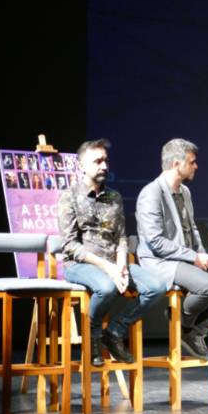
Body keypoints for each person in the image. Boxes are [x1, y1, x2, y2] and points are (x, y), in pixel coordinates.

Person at [58, 138, 167, 366]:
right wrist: (108, 267)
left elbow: (121, 237)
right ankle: (93, 336)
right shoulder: (69, 196)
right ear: (81, 165)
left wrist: (122, 265)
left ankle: (114, 331)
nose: (104, 166)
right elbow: (70, 245)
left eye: (106, 161)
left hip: (114, 262)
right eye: (97, 161)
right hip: (80, 265)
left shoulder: (114, 197)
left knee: (156, 287)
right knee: (106, 287)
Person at [136, 138, 208, 360]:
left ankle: (192, 330)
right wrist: (194, 257)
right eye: (192, 162)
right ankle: (184, 323)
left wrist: (203, 255)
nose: (196, 166)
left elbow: (192, 229)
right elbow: (156, 242)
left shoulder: (185, 192)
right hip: (161, 261)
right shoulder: (151, 193)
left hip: (187, 258)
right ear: (176, 164)